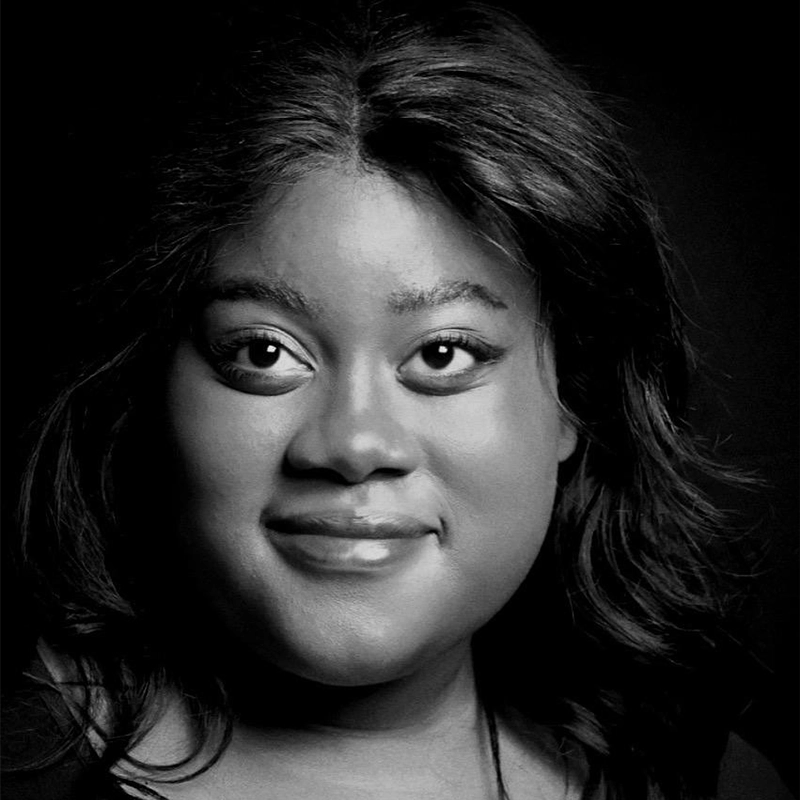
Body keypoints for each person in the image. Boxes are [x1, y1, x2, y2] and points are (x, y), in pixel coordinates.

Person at [1, 2, 793, 798]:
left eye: (444, 354)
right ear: (147, 391)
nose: (351, 444)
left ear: (574, 400)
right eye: (264, 352)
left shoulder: (714, 782)